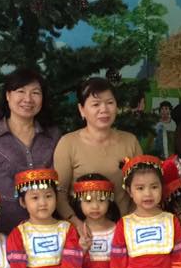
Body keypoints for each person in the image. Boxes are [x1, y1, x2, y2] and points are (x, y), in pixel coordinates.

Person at [0, 68, 61, 234]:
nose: (28, 99)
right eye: (21, 91)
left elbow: (62, 184)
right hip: (0, 232)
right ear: (8, 96)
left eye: (35, 93)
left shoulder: (54, 136)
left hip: (47, 232)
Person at [54, 77, 143, 221]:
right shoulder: (68, 143)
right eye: (96, 104)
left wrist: (128, 224)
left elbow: (141, 187)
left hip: (125, 226)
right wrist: (76, 223)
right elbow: (60, 193)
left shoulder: (130, 141)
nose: (104, 109)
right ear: (82, 110)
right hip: (82, 229)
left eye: (110, 103)